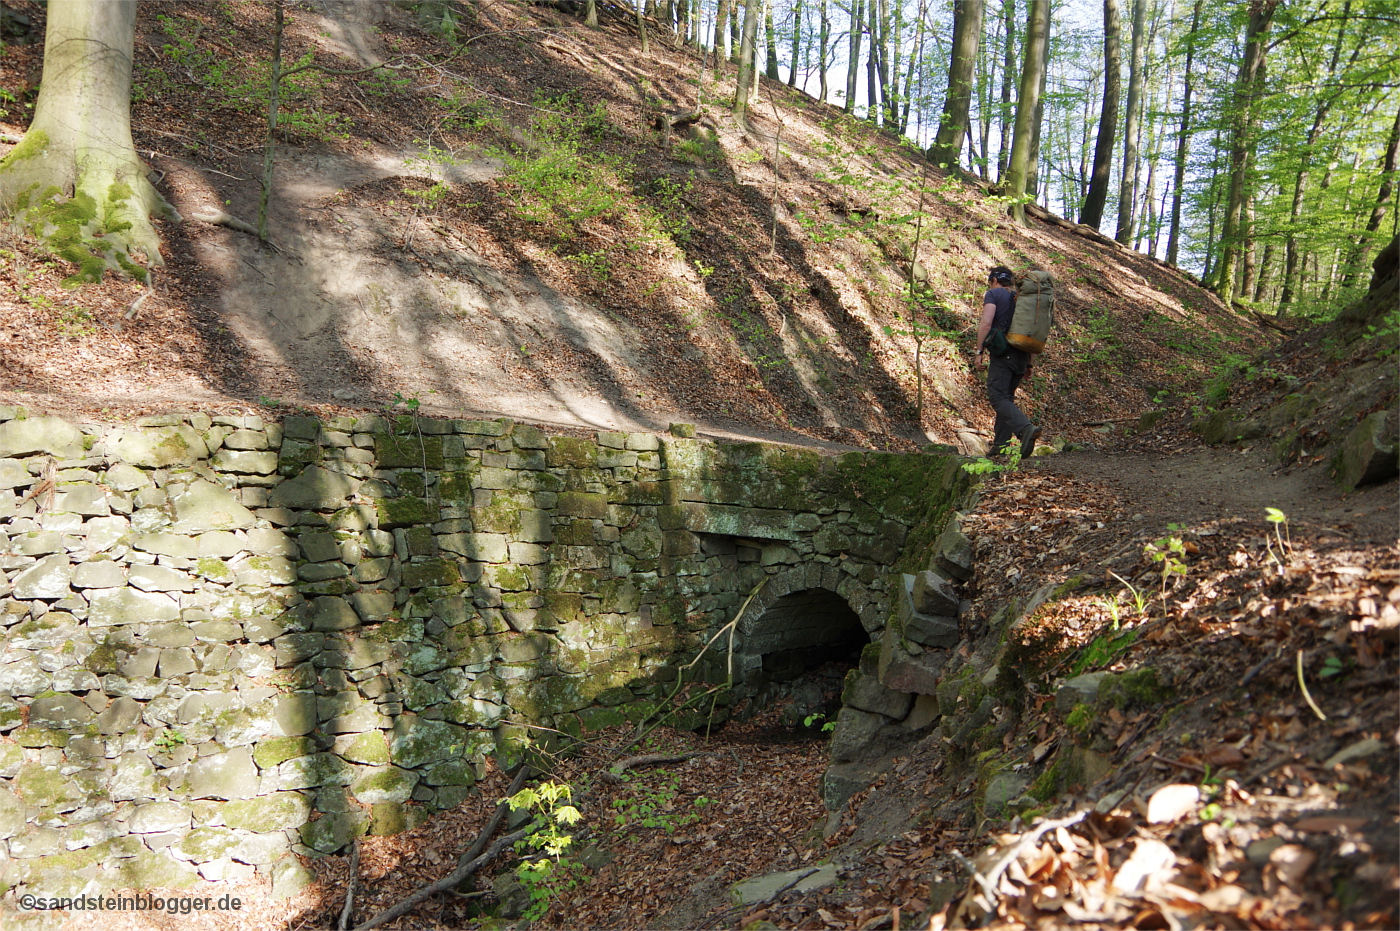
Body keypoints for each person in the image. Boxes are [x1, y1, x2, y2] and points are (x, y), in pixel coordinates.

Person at [974, 266, 1041, 459]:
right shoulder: (1020, 299)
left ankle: (1025, 429)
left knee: (997, 397)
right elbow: (1031, 330)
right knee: (1006, 398)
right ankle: (1000, 446)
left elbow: (986, 323)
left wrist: (979, 351)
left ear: (994, 280)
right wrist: (1030, 363)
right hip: (1023, 355)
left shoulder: (993, 294)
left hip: (1004, 354)